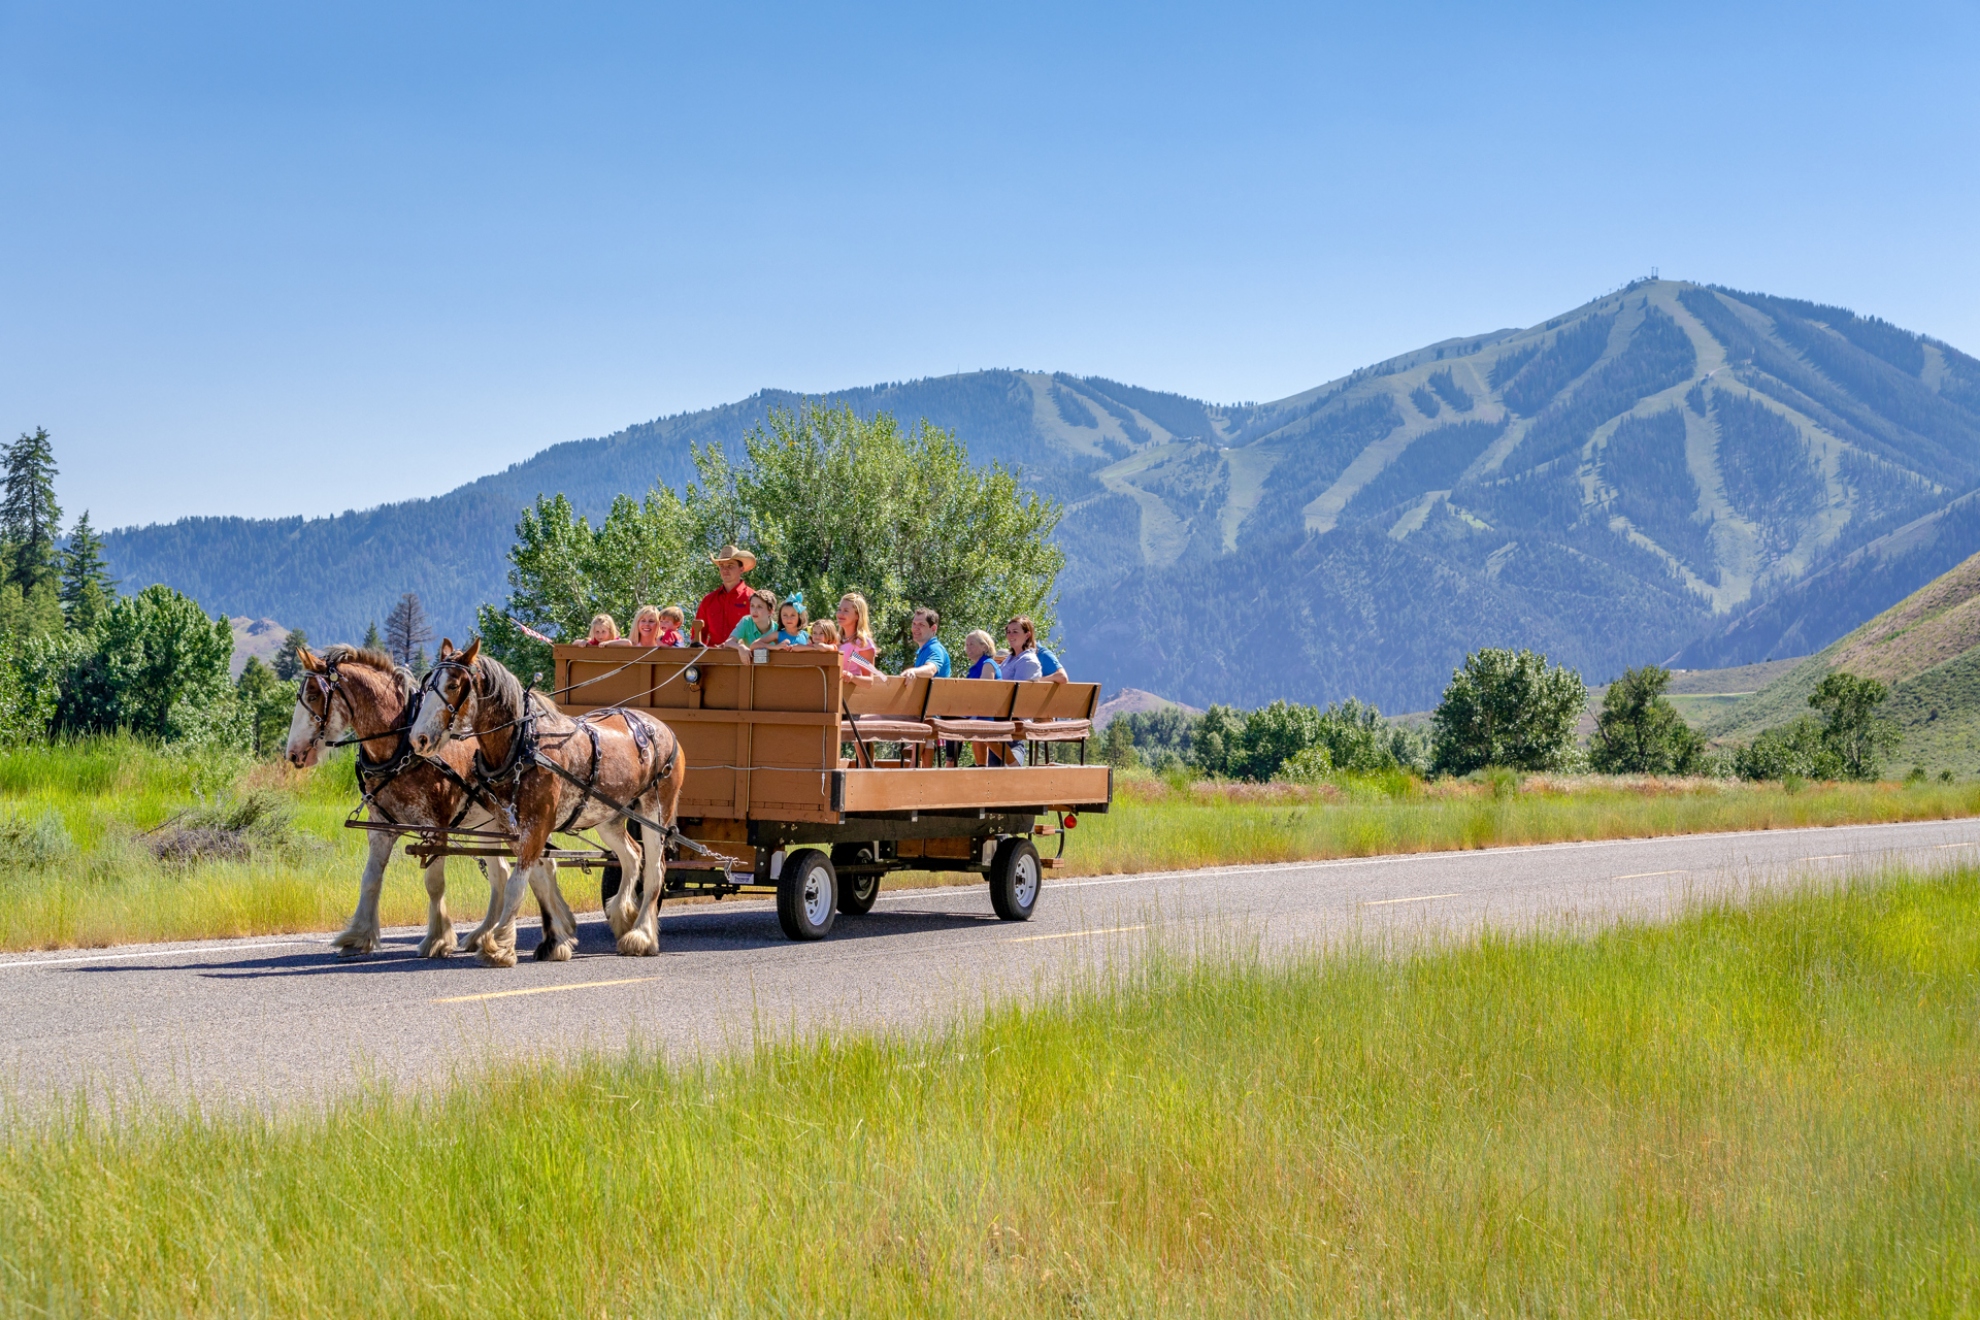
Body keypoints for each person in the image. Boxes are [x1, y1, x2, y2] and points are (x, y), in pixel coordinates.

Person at [694, 545, 757, 645]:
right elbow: (698, 633)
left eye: (730, 566)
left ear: (741, 569)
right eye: (721, 566)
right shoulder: (708, 600)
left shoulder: (753, 598)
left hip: (744, 658)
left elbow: (761, 632)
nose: (725, 570)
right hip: (712, 658)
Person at [900, 607, 951, 678]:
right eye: (914, 623)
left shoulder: (935, 648)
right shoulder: (923, 650)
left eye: (921, 624)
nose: (915, 628)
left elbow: (931, 670)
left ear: (933, 628)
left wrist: (912, 671)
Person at [835, 593, 879, 672]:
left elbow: (868, 681)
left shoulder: (862, 643)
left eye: (846, 610)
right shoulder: (835, 640)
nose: (840, 614)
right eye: (839, 609)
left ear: (857, 615)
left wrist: (851, 677)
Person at [998, 616, 1044, 681]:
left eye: (1015, 632)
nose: (1010, 635)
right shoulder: (1011, 658)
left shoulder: (1028, 661)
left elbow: (1019, 689)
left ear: (1027, 635)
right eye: (1008, 632)